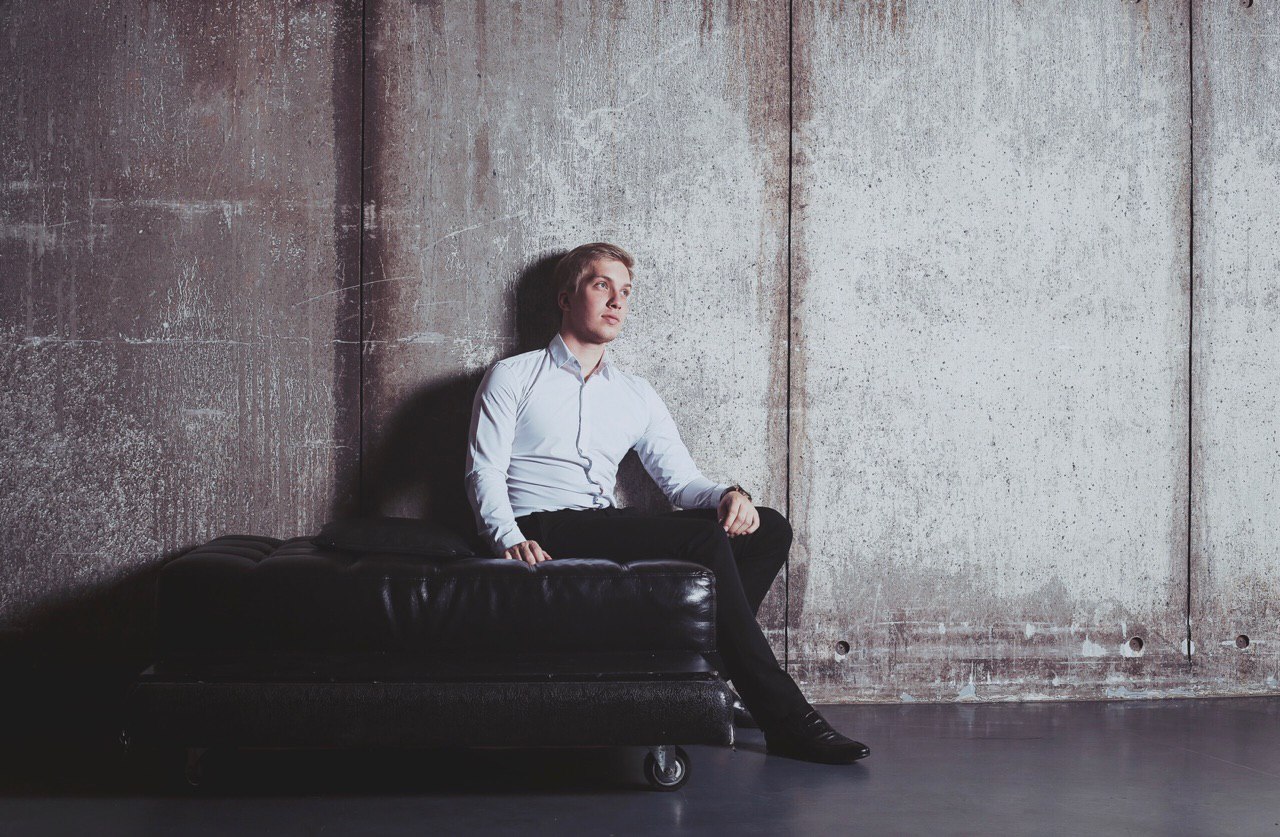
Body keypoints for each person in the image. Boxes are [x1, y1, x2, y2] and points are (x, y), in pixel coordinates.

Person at [464, 242, 870, 764]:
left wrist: (729, 496)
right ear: (565, 298)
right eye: (602, 285)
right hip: (541, 524)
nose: (617, 301)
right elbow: (483, 470)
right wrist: (509, 538)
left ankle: (708, 676)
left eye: (625, 291)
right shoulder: (514, 375)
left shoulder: (635, 393)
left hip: (601, 521)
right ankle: (786, 717)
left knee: (767, 527)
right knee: (699, 538)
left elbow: (681, 483)